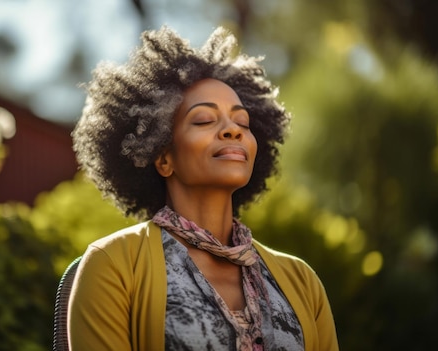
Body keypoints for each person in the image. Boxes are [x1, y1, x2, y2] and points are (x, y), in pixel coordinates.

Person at [68, 25, 339, 351]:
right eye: (204, 120)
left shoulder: (302, 282)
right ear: (162, 157)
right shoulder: (112, 266)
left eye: (242, 123)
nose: (232, 131)